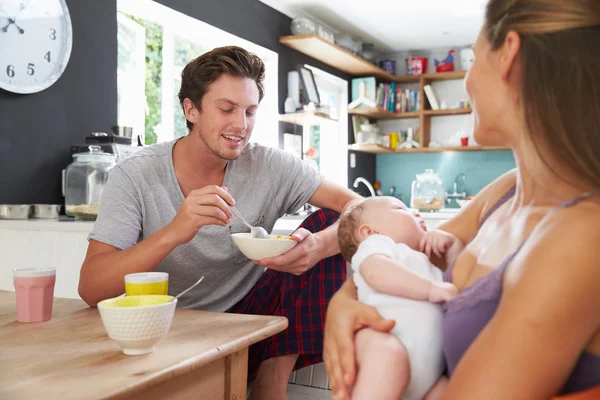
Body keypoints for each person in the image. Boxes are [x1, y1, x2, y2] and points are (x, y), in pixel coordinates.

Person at [323, 0, 600, 398]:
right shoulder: (506, 192)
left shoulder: (579, 234)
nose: (468, 80)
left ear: (509, 55)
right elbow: (393, 255)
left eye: (472, 58)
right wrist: (343, 303)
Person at [78, 46, 360, 400]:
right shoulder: (135, 174)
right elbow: (90, 287)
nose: (240, 125)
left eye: (250, 111)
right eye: (226, 109)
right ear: (191, 109)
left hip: (253, 321)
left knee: (333, 221)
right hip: (171, 327)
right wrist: (173, 233)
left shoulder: (271, 166)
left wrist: (320, 245)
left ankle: (270, 388)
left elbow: (361, 207)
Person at [337, 196, 460, 400]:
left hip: (431, 377)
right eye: (401, 209)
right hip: (387, 349)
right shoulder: (376, 246)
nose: (416, 212)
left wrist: (452, 245)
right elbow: (376, 272)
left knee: (456, 389)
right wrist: (431, 289)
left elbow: (459, 280)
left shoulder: (423, 261)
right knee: (387, 355)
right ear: (369, 232)